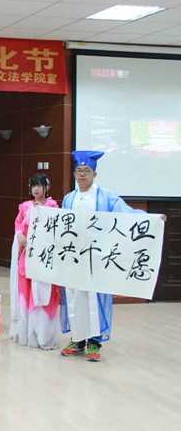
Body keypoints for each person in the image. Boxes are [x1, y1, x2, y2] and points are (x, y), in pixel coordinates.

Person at [59, 151, 165, 362]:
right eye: (79, 171)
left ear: (95, 174)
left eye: (87, 171)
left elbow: (125, 214)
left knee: (95, 297)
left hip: (98, 256)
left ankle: (95, 341)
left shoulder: (106, 196)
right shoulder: (69, 198)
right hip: (76, 257)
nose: (82, 174)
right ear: (74, 174)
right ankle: (77, 339)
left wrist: (150, 219)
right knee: (75, 297)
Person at [10, 173, 61, 350]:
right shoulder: (25, 206)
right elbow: (18, 224)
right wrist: (19, 234)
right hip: (27, 254)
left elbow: (54, 229)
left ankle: (43, 334)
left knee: (42, 291)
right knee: (25, 289)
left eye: (39, 185)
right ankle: (26, 333)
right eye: (33, 186)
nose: (36, 189)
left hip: (43, 256)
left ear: (47, 187)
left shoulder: (52, 206)